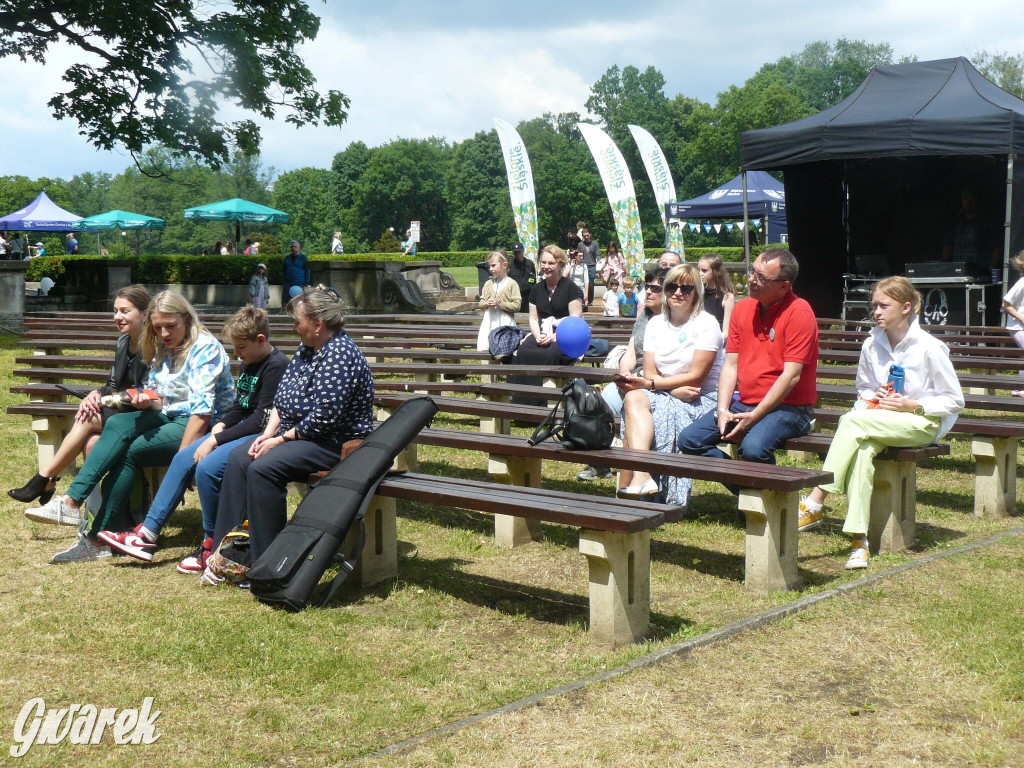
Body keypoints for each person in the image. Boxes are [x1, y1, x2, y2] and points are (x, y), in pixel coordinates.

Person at [25, 291, 235, 563]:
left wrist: (182, 466)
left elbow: (201, 414)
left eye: (170, 326)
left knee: (128, 450)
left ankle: (92, 534)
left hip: (204, 426)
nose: (164, 333)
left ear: (186, 318)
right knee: (120, 424)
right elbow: (160, 397)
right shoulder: (162, 346)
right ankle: (75, 510)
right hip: (168, 415)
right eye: (158, 327)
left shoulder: (203, 347)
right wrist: (144, 399)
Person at [97, 307, 289, 569]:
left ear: (261, 341)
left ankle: (212, 543)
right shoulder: (249, 360)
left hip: (260, 434)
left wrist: (214, 439)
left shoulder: (276, 366)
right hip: (242, 428)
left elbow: (260, 419)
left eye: (241, 348)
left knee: (207, 468)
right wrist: (221, 426)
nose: (236, 354)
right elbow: (240, 408)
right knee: (184, 457)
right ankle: (146, 535)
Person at [797, 277, 963, 569]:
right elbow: (863, 388)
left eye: (884, 305)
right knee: (861, 454)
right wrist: (874, 394)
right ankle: (859, 543)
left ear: (906, 307)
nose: (876, 311)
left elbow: (954, 400)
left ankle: (815, 500)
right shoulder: (872, 344)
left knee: (849, 421)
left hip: (921, 423)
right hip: (878, 420)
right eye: (874, 305)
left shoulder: (929, 347)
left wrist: (913, 405)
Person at [206, 286, 375, 572]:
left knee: (264, 468)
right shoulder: (308, 349)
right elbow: (282, 400)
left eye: (298, 322)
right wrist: (267, 435)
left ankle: (267, 560)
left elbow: (325, 417)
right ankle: (228, 551)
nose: (294, 327)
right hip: (300, 435)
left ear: (318, 324)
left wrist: (280, 440)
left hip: (335, 441)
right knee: (239, 457)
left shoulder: (339, 354)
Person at [9, 285, 152, 507]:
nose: (118, 317)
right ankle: (92, 515)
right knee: (92, 443)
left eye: (125, 311)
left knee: (86, 418)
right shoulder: (123, 342)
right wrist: (95, 394)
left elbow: (147, 390)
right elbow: (112, 384)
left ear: (145, 313)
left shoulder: (154, 345)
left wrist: (104, 400)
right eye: (115, 311)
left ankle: (45, 477)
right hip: (122, 409)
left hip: (145, 411)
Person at [678, 248, 818, 474]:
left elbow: (791, 375)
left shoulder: (799, 312)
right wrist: (722, 409)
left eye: (761, 277)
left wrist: (755, 416)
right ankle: (749, 490)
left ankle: (766, 497)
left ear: (784, 285)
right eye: (753, 272)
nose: (751, 280)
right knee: (690, 440)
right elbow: (730, 365)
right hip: (744, 403)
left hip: (790, 408)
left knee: (753, 448)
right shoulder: (742, 309)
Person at [617, 264, 724, 502]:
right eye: (672, 286)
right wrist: (672, 389)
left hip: (700, 396)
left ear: (696, 293)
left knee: (635, 419)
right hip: (672, 391)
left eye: (686, 288)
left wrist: (656, 385)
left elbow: (696, 377)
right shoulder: (656, 323)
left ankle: (627, 497)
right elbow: (648, 371)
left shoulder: (707, 324)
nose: (677, 292)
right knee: (633, 398)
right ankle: (642, 476)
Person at [578, 269, 668, 482]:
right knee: (596, 403)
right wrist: (625, 372)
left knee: (630, 411)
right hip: (632, 379)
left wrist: (639, 382)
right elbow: (630, 350)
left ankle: (634, 473)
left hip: (652, 384)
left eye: (656, 288)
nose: (648, 292)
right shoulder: (644, 316)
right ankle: (600, 463)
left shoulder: (670, 322)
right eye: (648, 287)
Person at [513, 245, 585, 368]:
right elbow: (534, 318)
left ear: (561, 265)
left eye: (551, 263)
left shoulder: (571, 289)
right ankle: (521, 387)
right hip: (542, 332)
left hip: (566, 334)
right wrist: (538, 336)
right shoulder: (536, 289)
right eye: (543, 262)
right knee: (523, 352)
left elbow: (574, 321)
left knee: (551, 354)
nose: (546, 267)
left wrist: (554, 337)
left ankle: (549, 386)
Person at [941, 187, 1000, 278]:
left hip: (980, 271)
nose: (969, 202)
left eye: (972, 198)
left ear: (977, 200)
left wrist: (991, 269)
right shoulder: (956, 223)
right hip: (958, 271)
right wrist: (945, 267)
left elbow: (996, 247)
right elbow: (947, 245)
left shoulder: (986, 223)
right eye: (965, 198)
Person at [476, 250, 521, 351]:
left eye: (493, 265)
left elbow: (517, 305)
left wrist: (500, 304)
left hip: (505, 323)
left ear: (504, 265)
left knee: (505, 353)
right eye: (490, 266)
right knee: (487, 353)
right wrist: (486, 303)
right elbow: (481, 303)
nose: (491, 269)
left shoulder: (512, 284)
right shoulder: (488, 284)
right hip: (489, 322)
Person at [1001, 250, 1024, 395]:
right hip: (1018, 327)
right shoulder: (1022, 283)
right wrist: (1022, 318)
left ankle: (1019, 388)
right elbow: (1006, 304)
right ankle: (1020, 388)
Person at [697, 253, 736, 332]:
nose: (700, 274)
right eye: (699, 270)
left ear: (715, 271)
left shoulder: (727, 297)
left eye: (704, 270)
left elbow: (727, 332)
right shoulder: (698, 293)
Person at [579, 228, 600, 308]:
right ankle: (582, 300)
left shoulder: (595, 244)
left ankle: (590, 301)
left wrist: (598, 260)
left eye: (587, 235)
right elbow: (578, 254)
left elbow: (597, 254)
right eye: (584, 236)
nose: (586, 237)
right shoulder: (580, 244)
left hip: (591, 266)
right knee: (582, 284)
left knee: (591, 284)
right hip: (582, 265)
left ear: (590, 235)